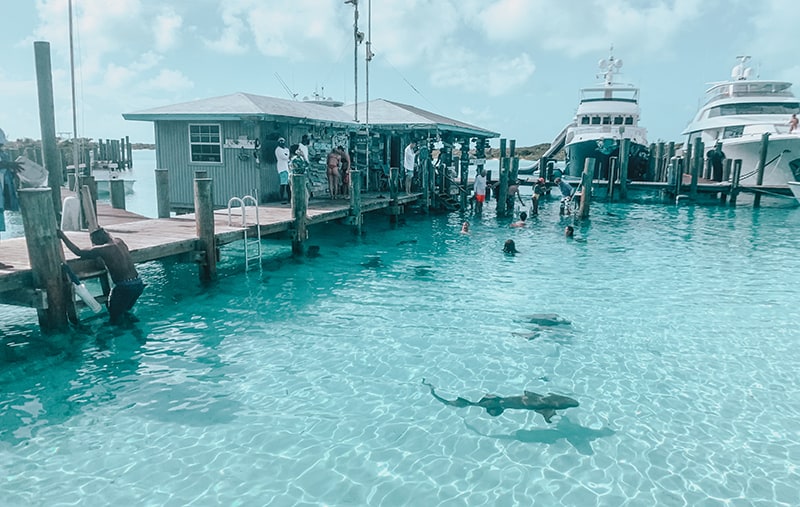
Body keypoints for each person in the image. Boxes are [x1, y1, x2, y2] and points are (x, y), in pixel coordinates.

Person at [57, 227, 143, 325]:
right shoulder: (119, 241)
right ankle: (136, 333)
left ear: (98, 241)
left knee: (114, 316)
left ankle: (116, 335)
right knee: (125, 311)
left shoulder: (103, 249)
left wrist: (62, 236)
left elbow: (78, 251)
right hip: (138, 283)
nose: (93, 245)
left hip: (124, 287)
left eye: (94, 243)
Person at [275, 137, 290, 202]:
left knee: (288, 184)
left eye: (283, 141)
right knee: (283, 184)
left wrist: (287, 156)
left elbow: (287, 156)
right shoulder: (278, 150)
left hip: (287, 168)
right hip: (282, 168)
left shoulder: (286, 149)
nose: (282, 143)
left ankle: (289, 198)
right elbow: (284, 157)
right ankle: (282, 198)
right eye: (280, 141)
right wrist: (286, 156)